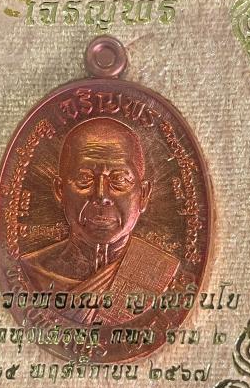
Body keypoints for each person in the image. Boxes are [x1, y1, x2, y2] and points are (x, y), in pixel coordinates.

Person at [20, 116, 179, 321]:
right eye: (84, 179)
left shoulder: (162, 270)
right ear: (60, 191)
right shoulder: (33, 270)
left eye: (119, 179)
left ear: (144, 194)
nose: (101, 195)